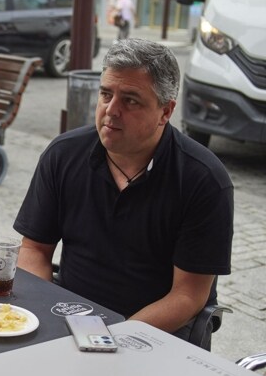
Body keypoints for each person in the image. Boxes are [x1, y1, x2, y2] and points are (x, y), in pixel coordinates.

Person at [13, 39, 233, 348]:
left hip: (157, 334)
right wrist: (47, 311)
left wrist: (109, 339)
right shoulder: (63, 154)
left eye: (130, 100)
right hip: (69, 316)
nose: (110, 111)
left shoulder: (203, 179)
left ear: (165, 111)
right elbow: (34, 249)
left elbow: (188, 295)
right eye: (106, 94)